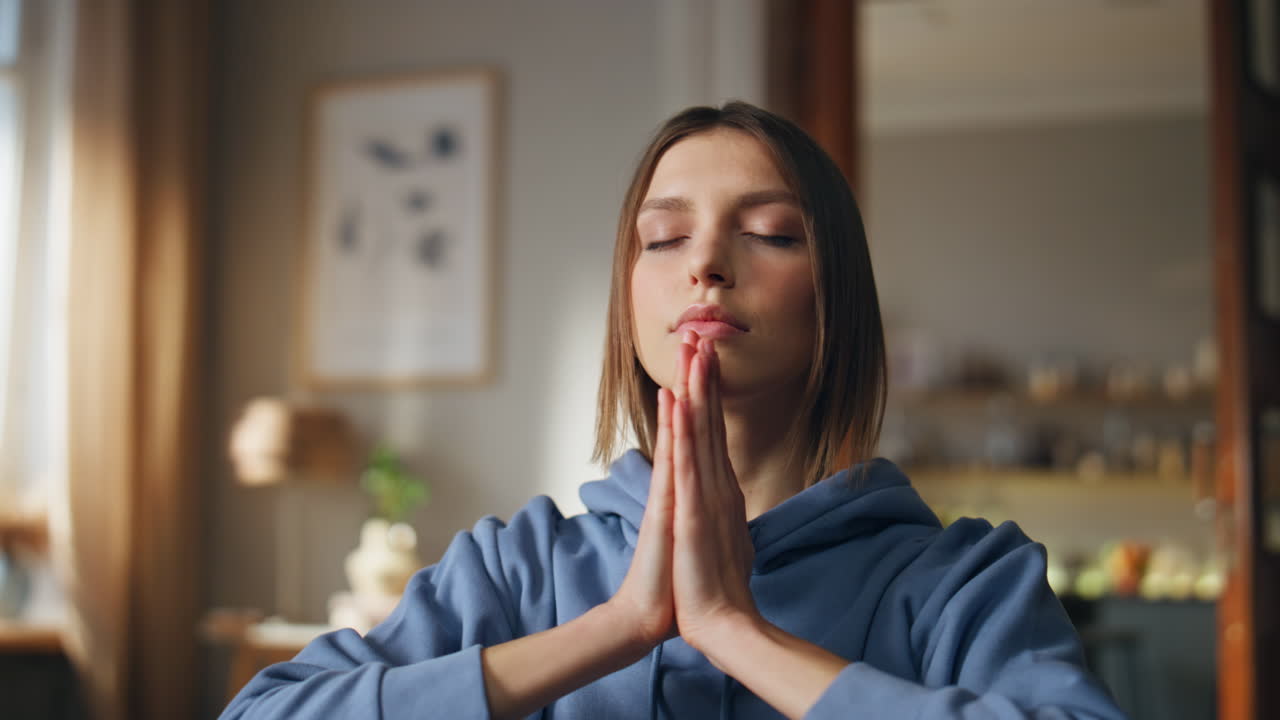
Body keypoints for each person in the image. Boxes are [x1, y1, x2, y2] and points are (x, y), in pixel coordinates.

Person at [220, 102, 1126, 720]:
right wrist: (614, 629)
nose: (705, 264)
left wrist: (738, 633)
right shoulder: (520, 568)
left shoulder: (967, 583)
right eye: (664, 238)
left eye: (769, 232)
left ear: (836, 297)